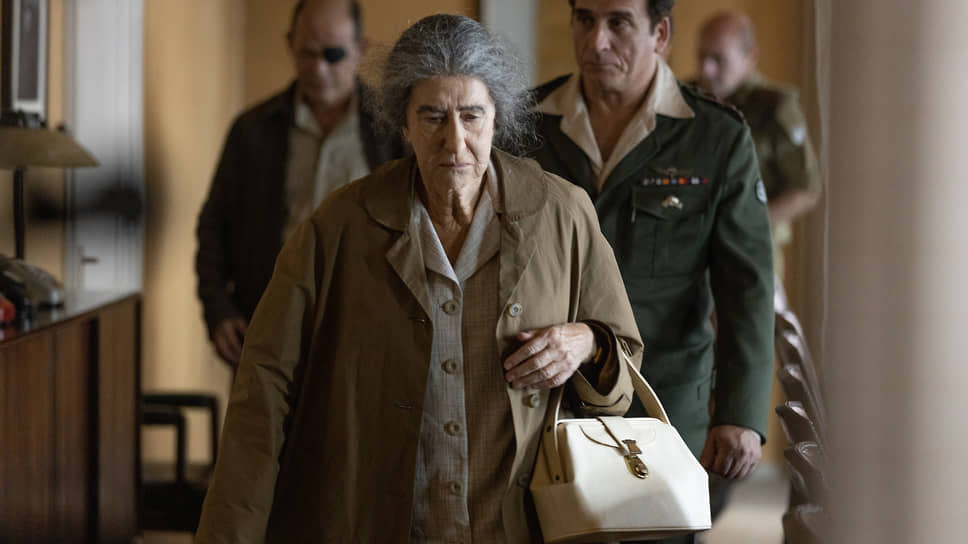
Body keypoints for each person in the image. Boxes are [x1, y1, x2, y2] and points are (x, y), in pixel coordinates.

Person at [194, 13, 643, 543]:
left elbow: (623, 363)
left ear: (497, 119)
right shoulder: (339, 226)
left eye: (472, 116)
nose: (454, 141)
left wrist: (585, 342)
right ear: (402, 123)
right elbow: (265, 387)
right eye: (432, 117)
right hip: (377, 522)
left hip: (521, 526)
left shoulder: (562, 213)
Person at [530, 1, 774, 538]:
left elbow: (747, 289)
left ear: (660, 34)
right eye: (584, 19)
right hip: (543, 403)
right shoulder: (525, 125)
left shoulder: (715, 137)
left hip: (662, 404)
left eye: (618, 22)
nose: (596, 41)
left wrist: (740, 413)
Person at [195, 0, 403, 367]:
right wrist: (218, 309)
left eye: (333, 54)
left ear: (361, 49)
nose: (319, 69)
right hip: (269, 331)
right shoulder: (252, 131)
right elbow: (214, 225)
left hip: (369, 336)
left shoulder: (394, 132)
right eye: (307, 53)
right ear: (289, 43)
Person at [697, 10, 821, 278]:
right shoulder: (689, 98)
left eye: (718, 59)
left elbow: (805, 188)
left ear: (750, 56)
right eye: (702, 57)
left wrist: (745, 224)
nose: (706, 70)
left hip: (751, 255)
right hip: (693, 256)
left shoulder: (773, 108)